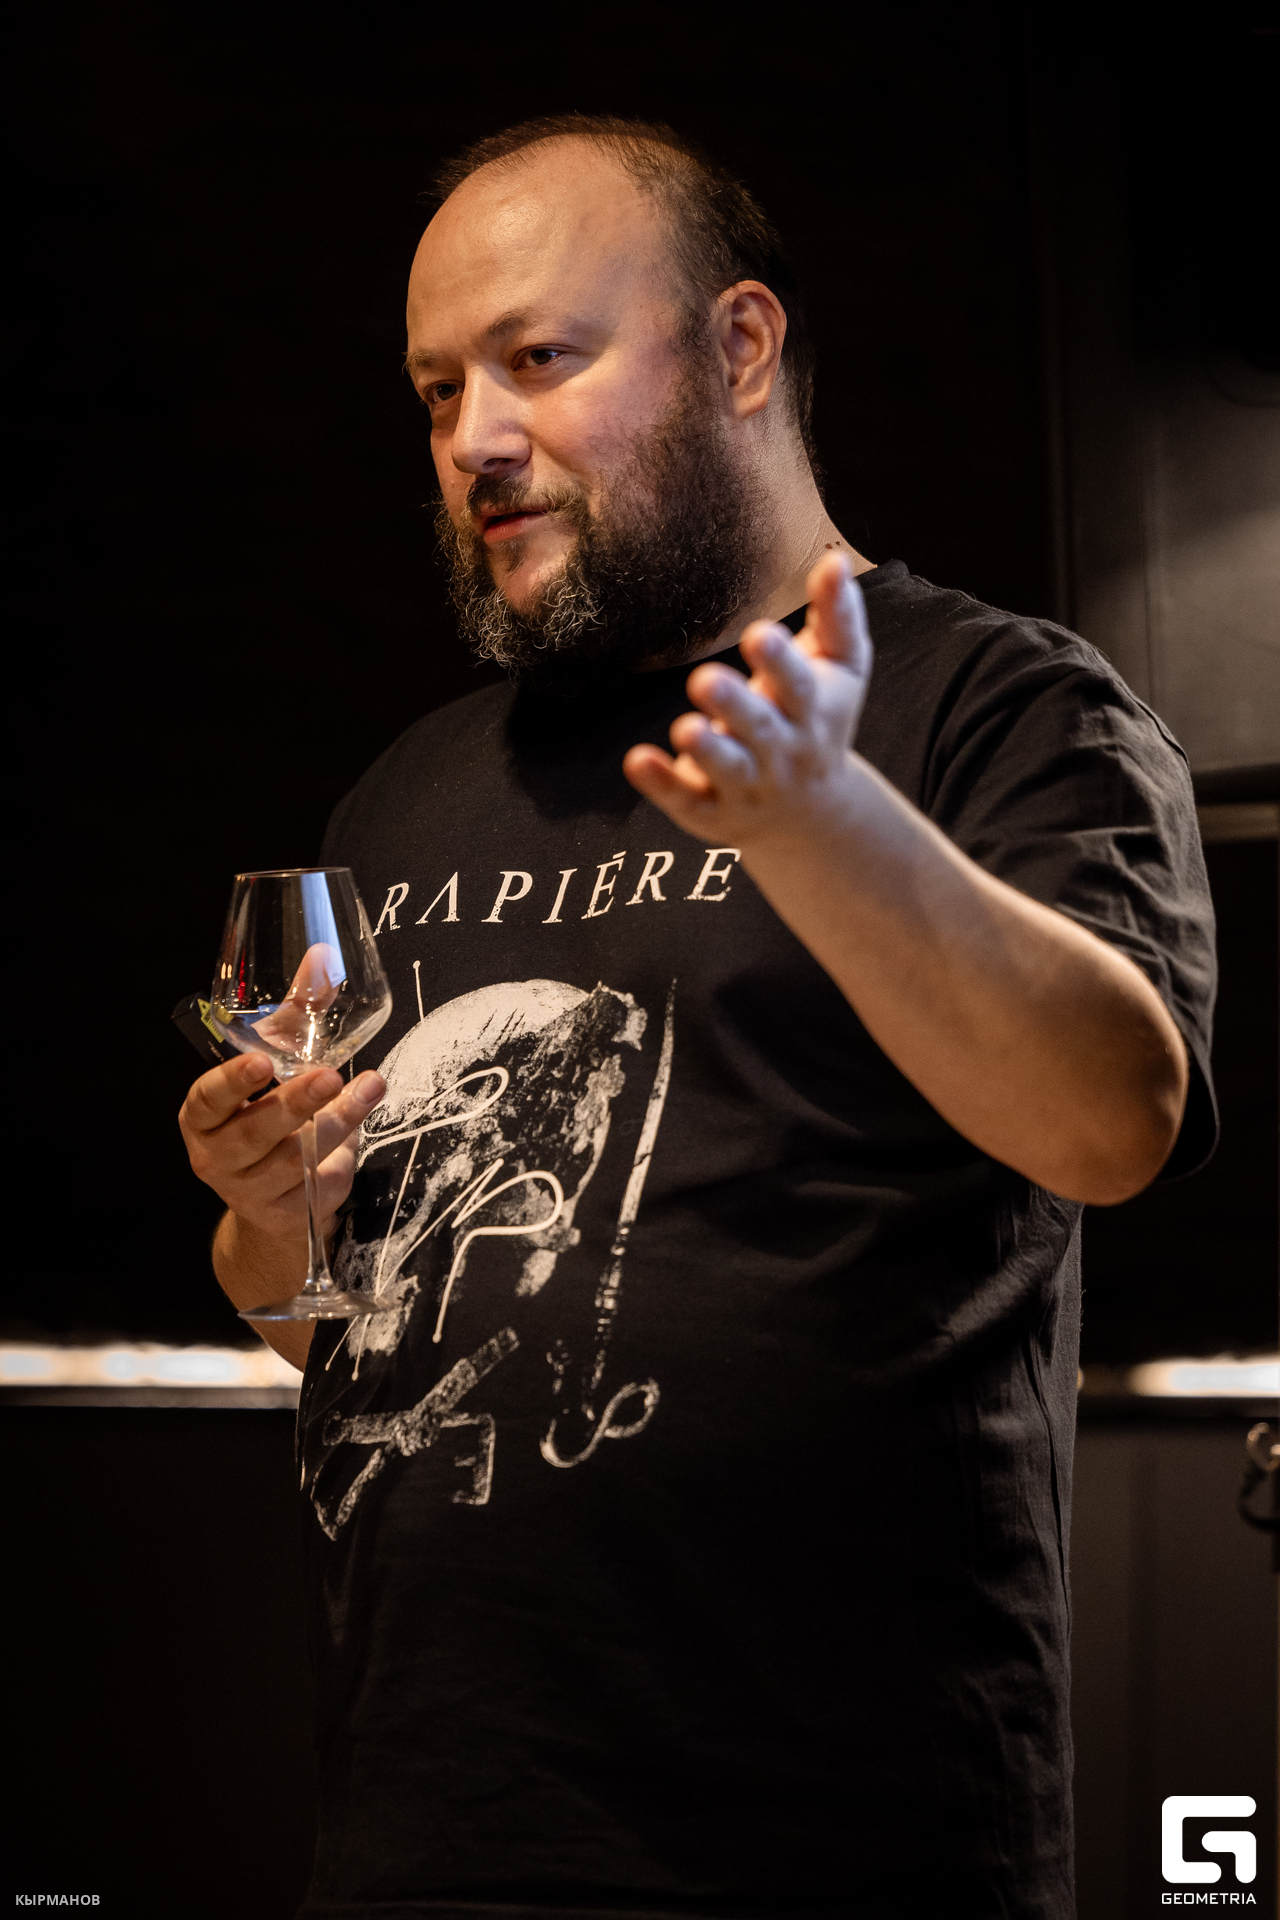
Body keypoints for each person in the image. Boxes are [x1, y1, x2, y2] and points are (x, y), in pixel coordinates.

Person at [179, 116, 1216, 1918]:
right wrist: (271, 1220)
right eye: (437, 391)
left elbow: (1115, 1121)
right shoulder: (407, 793)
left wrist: (829, 826)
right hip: (427, 1832)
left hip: (837, 1839)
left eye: (537, 358)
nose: (474, 438)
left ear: (740, 348)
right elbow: (330, 1313)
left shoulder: (998, 707)